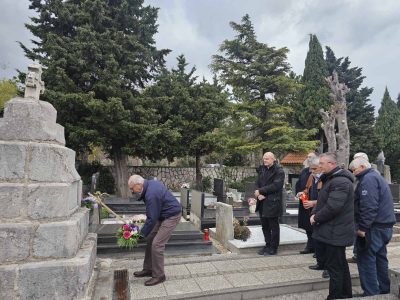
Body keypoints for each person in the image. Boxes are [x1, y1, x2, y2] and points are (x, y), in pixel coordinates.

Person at [349, 157, 396, 296]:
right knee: (380, 258)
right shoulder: (376, 176)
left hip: (373, 227)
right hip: (384, 225)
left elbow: (369, 206)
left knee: (365, 259)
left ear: (363, 167)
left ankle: (370, 293)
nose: (353, 173)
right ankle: (383, 289)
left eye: (354, 170)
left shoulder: (368, 179)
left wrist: (363, 228)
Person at [310, 153, 354, 299]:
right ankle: (345, 294)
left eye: (322, 163)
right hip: (332, 230)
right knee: (340, 265)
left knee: (335, 268)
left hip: (335, 232)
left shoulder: (340, 182)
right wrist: (315, 213)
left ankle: (335, 296)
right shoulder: (331, 179)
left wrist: (316, 217)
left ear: (332, 164)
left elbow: (333, 207)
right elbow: (323, 202)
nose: (319, 166)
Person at [128, 175, 182, 286]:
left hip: (172, 215)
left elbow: (152, 218)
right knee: (150, 239)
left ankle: (159, 275)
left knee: (157, 244)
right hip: (161, 215)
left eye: (132, 188)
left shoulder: (151, 193)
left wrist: (140, 235)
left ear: (138, 185)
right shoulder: (149, 185)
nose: (132, 191)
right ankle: (148, 269)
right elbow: (153, 215)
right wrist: (144, 234)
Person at [255, 152, 285, 256]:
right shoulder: (262, 169)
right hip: (262, 201)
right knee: (265, 226)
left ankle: (274, 247)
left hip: (272, 203)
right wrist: (259, 194)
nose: (265, 160)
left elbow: (276, 186)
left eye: (267, 158)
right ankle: (267, 245)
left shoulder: (279, 171)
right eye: (264, 158)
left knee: (273, 226)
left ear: (273, 159)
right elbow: (258, 182)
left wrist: (262, 192)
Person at [296, 152, 317, 254]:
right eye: (307, 157)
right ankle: (310, 245)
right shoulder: (304, 171)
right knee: (306, 225)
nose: (309, 159)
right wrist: (298, 193)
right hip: (304, 201)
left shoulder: (317, 172)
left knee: (313, 225)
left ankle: (314, 247)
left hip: (313, 202)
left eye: (311, 157)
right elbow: (299, 184)